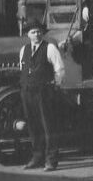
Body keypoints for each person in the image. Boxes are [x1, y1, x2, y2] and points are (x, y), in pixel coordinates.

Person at [18, 21, 66, 172]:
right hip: (27, 92)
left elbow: (60, 69)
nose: (36, 34)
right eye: (33, 32)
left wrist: (55, 86)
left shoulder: (50, 48)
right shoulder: (24, 49)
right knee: (33, 126)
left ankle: (51, 160)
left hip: (44, 92)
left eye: (39, 31)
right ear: (28, 35)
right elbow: (23, 68)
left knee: (48, 126)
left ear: (42, 33)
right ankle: (37, 157)